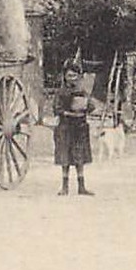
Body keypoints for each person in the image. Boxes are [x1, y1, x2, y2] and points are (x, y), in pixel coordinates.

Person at [53, 64, 97, 195]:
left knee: (80, 157)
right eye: (69, 76)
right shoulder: (61, 92)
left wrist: (85, 106)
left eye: (74, 75)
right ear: (65, 77)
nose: (71, 78)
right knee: (64, 157)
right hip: (65, 126)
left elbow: (91, 106)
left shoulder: (83, 91)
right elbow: (56, 108)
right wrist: (67, 112)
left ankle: (81, 186)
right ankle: (64, 186)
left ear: (78, 77)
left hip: (80, 127)